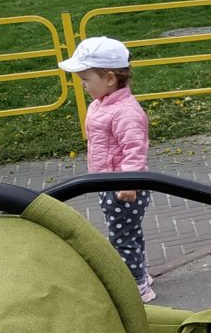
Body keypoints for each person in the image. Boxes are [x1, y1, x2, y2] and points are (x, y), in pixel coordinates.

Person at [59, 36, 155, 304]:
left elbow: (134, 149)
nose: (82, 84)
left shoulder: (126, 112)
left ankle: (136, 287)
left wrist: (129, 182)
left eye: (86, 79)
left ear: (110, 78)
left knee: (122, 238)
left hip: (124, 188)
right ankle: (142, 275)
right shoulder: (103, 104)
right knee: (129, 233)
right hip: (108, 183)